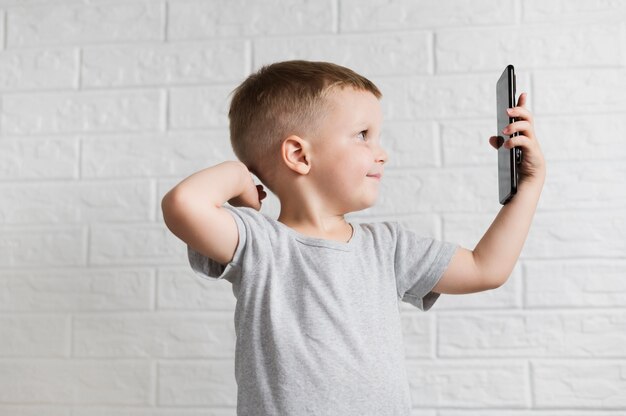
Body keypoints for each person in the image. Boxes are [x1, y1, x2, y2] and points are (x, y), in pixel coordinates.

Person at [161, 60, 545, 415]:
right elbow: (183, 203)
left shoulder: (389, 247)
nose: (382, 154)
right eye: (363, 135)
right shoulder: (257, 242)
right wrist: (239, 175)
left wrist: (530, 184)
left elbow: (486, 268)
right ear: (298, 154)